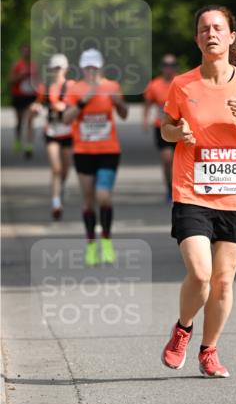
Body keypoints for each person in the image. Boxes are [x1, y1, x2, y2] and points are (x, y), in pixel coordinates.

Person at [160, 5, 236, 378]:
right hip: (191, 191)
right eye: (204, 28)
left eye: (218, 28)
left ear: (230, 37)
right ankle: (183, 329)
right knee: (202, 274)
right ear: (197, 39)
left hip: (235, 195)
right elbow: (166, 128)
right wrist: (180, 133)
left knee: (224, 280)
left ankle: (209, 351)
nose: (211, 33)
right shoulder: (183, 85)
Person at [62, 49, 128, 265]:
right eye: (87, 67)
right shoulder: (74, 88)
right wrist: (83, 101)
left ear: (100, 67)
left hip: (108, 150)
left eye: (94, 67)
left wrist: (119, 102)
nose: (91, 71)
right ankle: (91, 245)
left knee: (103, 196)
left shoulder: (111, 86)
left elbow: (124, 114)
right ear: (82, 68)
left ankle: (106, 241)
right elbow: (65, 119)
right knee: (89, 201)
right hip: (83, 152)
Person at [30, 53, 73, 220]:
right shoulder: (45, 88)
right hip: (52, 132)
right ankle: (56, 203)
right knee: (56, 168)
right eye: (54, 69)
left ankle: (61, 186)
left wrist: (65, 106)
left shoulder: (72, 87)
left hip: (68, 132)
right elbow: (38, 104)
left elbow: (79, 105)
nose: (57, 72)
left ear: (65, 69)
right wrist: (34, 109)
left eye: (59, 68)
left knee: (65, 169)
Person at [143, 54, 178, 201]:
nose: (168, 68)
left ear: (176, 67)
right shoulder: (154, 85)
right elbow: (148, 103)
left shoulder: (181, 82)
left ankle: (181, 188)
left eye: (171, 65)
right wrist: (145, 120)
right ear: (161, 67)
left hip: (181, 127)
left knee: (181, 160)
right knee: (167, 160)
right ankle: (169, 188)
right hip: (162, 127)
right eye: (165, 65)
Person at [9, 44, 39, 157]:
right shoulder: (16, 65)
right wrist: (21, 76)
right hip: (18, 96)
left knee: (30, 121)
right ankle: (18, 140)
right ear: (21, 52)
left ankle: (29, 146)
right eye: (24, 51)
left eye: (28, 51)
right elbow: (11, 80)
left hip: (31, 97)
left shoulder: (34, 65)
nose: (26, 53)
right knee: (19, 122)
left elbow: (38, 81)